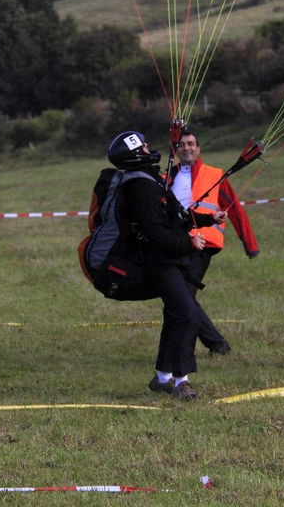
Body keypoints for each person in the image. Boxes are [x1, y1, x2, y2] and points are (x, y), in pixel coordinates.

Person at [107, 131, 228, 399]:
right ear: (136, 153)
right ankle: (180, 380)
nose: (150, 147)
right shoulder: (141, 187)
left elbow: (177, 215)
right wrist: (188, 244)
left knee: (177, 314)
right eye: (144, 145)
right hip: (157, 262)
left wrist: (208, 220)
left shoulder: (151, 180)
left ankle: (163, 378)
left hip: (166, 259)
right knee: (186, 314)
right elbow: (157, 233)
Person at [169, 130, 259, 355]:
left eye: (191, 144)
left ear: (198, 149)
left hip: (203, 244)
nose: (186, 148)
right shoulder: (166, 178)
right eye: (181, 145)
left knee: (182, 296)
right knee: (179, 296)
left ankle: (214, 345)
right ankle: (213, 345)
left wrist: (249, 243)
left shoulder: (215, 175)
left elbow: (235, 210)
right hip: (177, 243)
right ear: (175, 150)